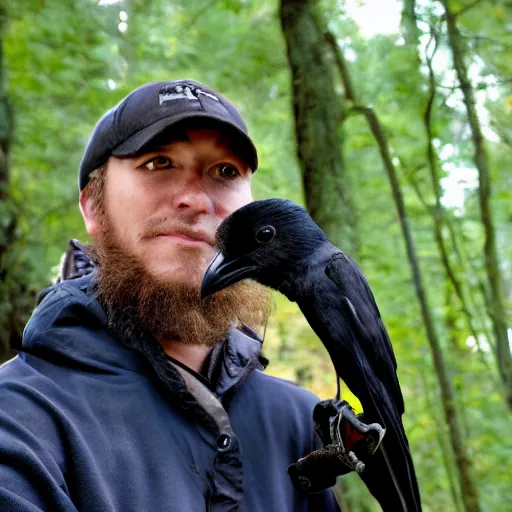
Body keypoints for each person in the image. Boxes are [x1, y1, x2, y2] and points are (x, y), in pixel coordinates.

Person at [0, 80, 341, 511]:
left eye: (226, 172)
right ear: (92, 206)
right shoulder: (19, 420)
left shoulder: (298, 422)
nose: (197, 199)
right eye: (158, 162)